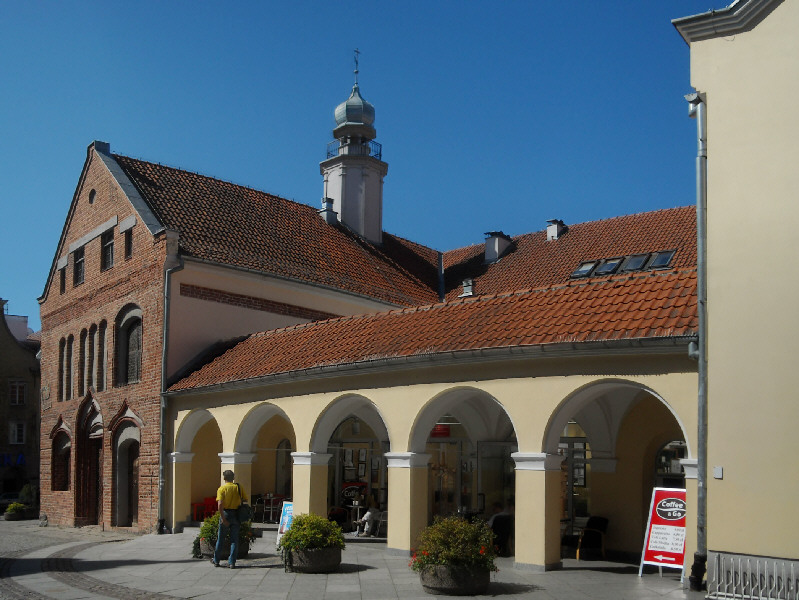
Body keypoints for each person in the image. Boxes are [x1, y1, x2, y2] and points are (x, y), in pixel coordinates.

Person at [211, 469, 248, 569]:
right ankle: (232, 562)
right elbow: (245, 499)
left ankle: (216, 560)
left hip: (226, 513)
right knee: (234, 540)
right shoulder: (238, 487)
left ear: (224, 478)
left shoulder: (221, 489)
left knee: (221, 539)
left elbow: (220, 505)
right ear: (233, 478)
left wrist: (223, 518)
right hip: (236, 514)